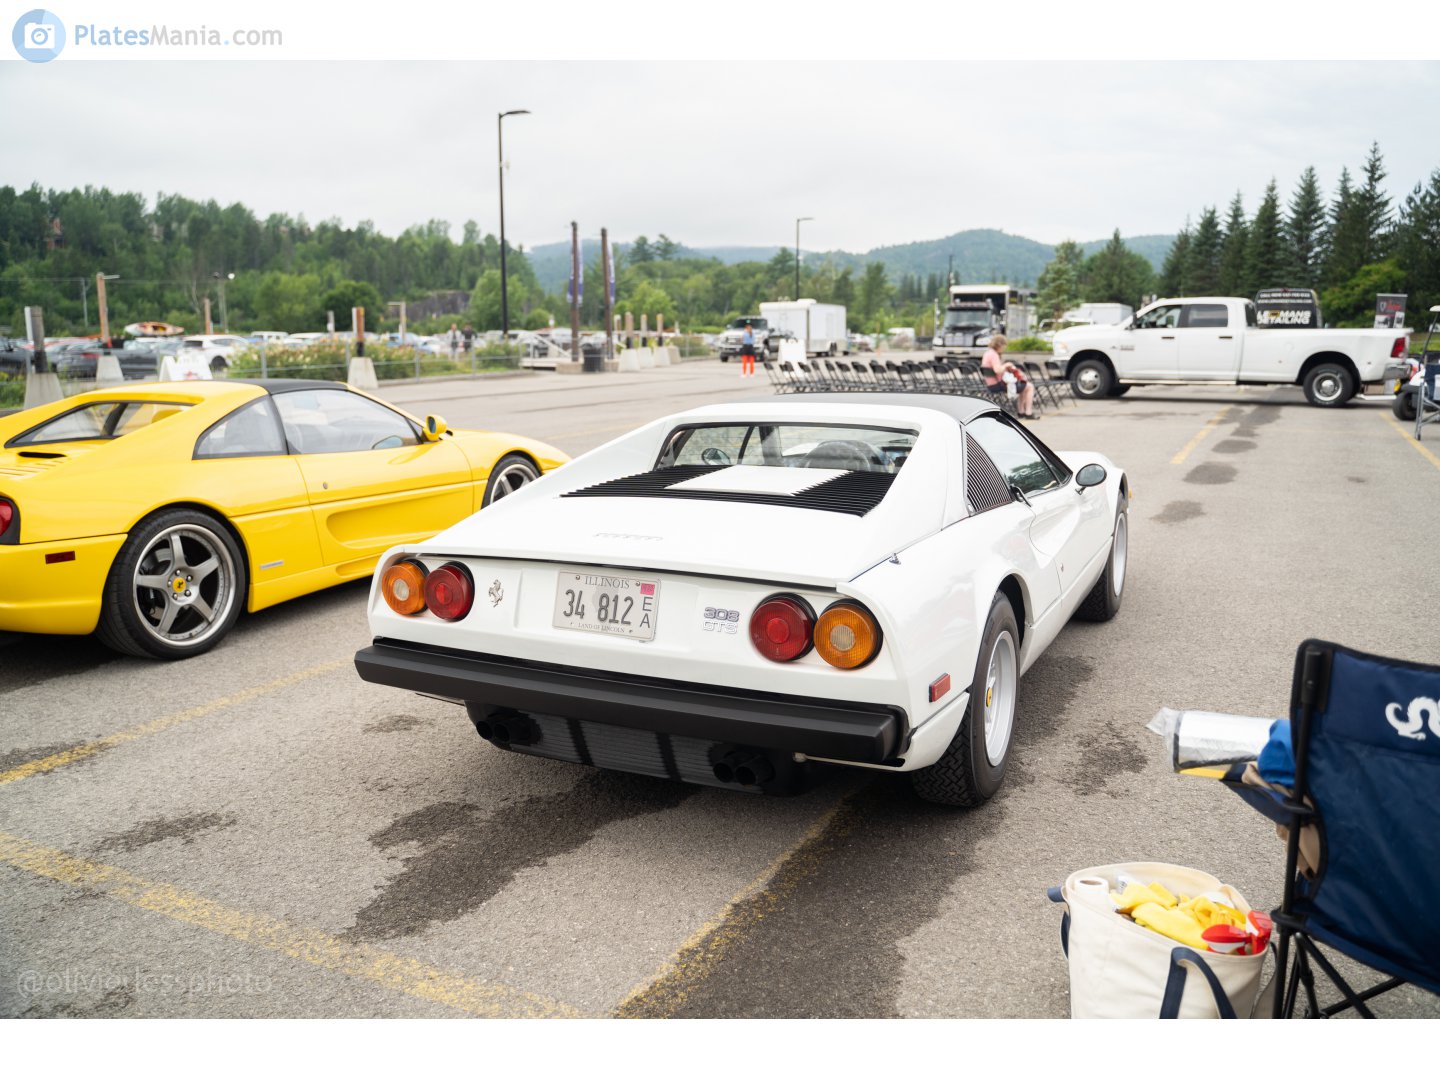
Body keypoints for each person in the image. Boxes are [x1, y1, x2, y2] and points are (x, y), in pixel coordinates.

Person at [980, 333, 1035, 419]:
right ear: (1000, 345)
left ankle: (1021, 411)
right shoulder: (994, 355)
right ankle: (1028, 412)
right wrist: (1006, 365)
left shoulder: (987, 353)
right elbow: (997, 370)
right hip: (998, 384)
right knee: (1029, 386)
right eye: (1004, 346)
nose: (1004, 348)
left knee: (1024, 387)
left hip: (990, 384)